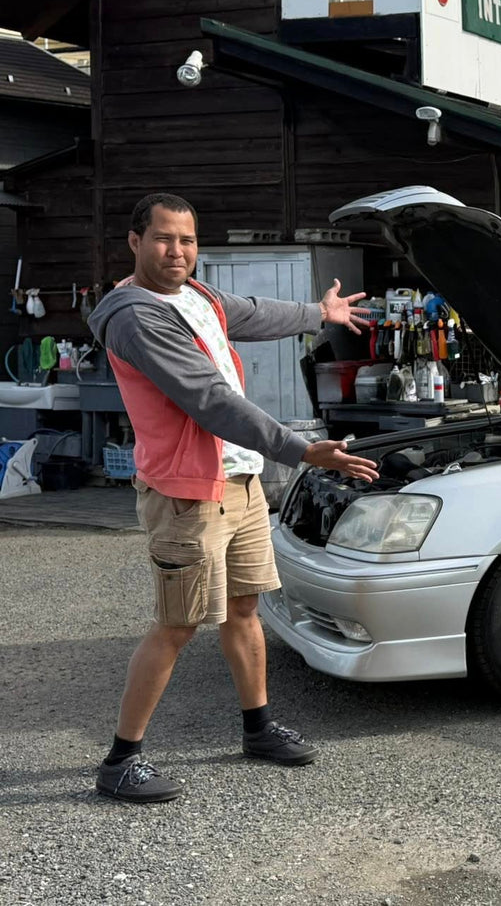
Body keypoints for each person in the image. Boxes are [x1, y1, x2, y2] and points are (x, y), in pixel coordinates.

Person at [87, 193, 379, 803]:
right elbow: (209, 401)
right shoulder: (137, 316)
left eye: (188, 241)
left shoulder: (199, 297)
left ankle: (259, 729)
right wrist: (300, 450)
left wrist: (317, 311)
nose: (178, 252)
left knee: (244, 610)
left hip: (240, 482)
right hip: (188, 493)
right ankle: (121, 759)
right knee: (178, 623)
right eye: (164, 239)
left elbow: (249, 312)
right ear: (135, 242)